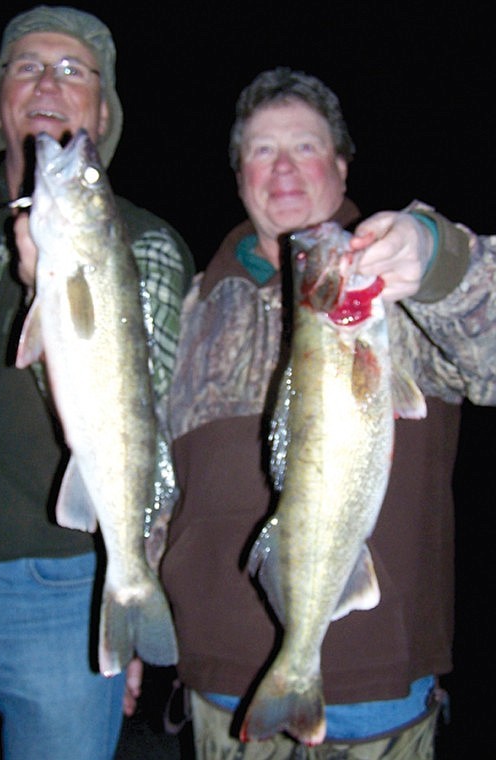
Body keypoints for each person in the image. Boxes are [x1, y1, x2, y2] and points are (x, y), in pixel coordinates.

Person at [160, 67, 496, 759]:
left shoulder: (396, 283)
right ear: (238, 174)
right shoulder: (193, 305)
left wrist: (439, 258)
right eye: (261, 149)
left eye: (306, 147)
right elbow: (157, 479)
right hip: (221, 680)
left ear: (342, 166)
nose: (283, 167)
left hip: (379, 683)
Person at [0, 6, 193, 759]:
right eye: (26, 66)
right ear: (0, 98)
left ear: (102, 109)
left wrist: (134, 575)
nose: (46, 83)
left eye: (71, 70)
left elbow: (144, 431)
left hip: (54, 596)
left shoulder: (145, 242)